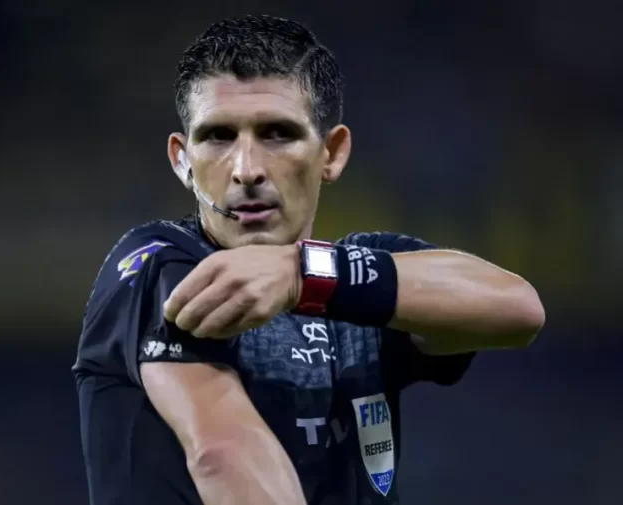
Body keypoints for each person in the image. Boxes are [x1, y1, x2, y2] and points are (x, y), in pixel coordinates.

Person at [73, 14, 545, 505]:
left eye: (278, 133)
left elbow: (518, 308)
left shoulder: (352, 277)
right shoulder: (159, 266)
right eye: (218, 136)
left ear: (332, 153)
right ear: (182, 159)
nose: (247, 169)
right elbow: (223, 454)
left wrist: (305, 275)